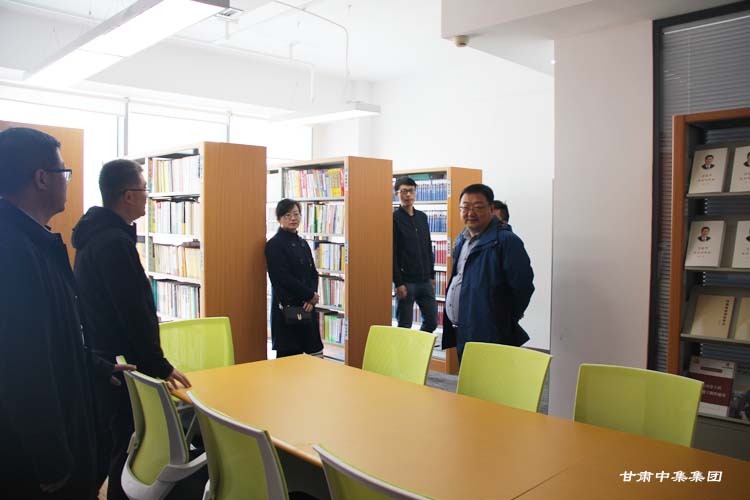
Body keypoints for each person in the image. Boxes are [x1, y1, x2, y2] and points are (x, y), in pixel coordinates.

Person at [0, 127, 132, 499]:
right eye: (64, 172)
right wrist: (52, 461)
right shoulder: (13, 251)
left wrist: (95, 366)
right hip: (37, 461)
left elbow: (54, 335)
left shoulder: (34, 239)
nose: (67, 181)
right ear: (42, 178)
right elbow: (21, 367)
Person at [72, 159, 190, 500]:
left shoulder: (96, 235)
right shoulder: (113, 243)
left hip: (105, 356)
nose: (147, 197)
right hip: (122, 365)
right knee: (129, 445)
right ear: (127, 195)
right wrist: (159, 365)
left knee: (119, 442)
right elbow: (133, 311)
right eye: (144, 190)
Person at [442, 184, 535, 362]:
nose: (470, 213)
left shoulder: (506, 241)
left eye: (478, 207)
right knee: (469, 377)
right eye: (465, 207)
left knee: (491, 377)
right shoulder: (462, 239)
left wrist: (502, 319)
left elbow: (523, 286)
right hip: (463, 329)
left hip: (491, 332)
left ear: (491, 209)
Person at [265, 198, 324, 358]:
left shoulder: (303, 243)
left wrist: (312, 298)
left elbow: (313, 273)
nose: (293, 218)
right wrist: (309, 295)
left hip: (307, 307)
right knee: (289, 362)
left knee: (315, 357)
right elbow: (282, 278)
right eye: (287, 215)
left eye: (296, 214)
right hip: (287, 310)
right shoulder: (274, 244)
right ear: (279, 218)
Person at [392, 176, 438, 334]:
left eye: (411, 191)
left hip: (425, 280)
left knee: (432, 322)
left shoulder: (422, 217)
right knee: (404, 326)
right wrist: (398, 282)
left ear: (415, 192)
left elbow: (427, 247)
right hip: (406, 282)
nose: (408, 195)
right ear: (397, 194)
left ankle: (418, 347)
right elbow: (392, 253)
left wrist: (432, 274)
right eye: (403, 191)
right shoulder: (394, 219)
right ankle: (405, 350)